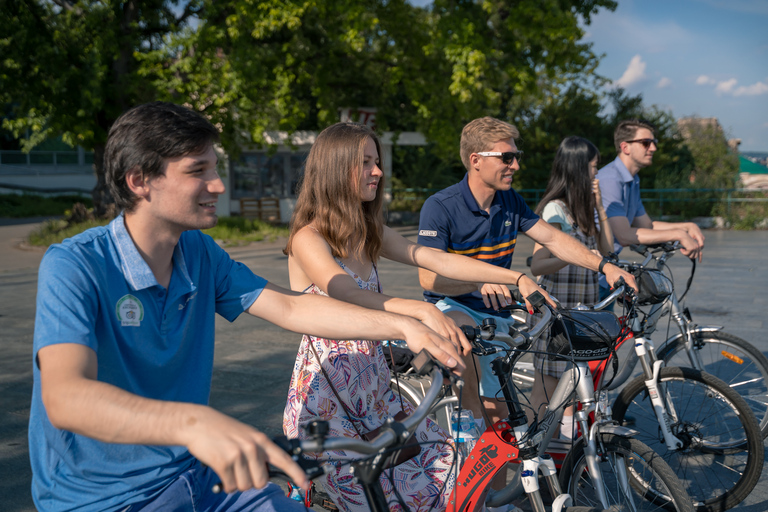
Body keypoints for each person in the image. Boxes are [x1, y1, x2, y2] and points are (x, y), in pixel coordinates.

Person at [29, 102, 465, 512]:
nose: (218, 185)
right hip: (103, 497)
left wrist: (406, 324)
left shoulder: (199, 253)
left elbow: (293, 309)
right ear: (140, 181)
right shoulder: (75, 265)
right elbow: (66, 397)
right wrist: (194, 424)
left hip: (194, 476)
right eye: (198, 171)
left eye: (215, 168)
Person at [282, 122, 560, 512]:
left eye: (376, 162)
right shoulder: (308, 237)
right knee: (375, 500)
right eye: (366, 163)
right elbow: (345, 293)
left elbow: (430, 257)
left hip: (373, 385)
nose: (378, 171)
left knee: (446, 473)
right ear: (334, 168)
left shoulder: (367, 226)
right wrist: (422, 309)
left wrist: (515, 277)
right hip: (329, 396)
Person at [417, 117, 636, 450]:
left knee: (505, 425)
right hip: (453, 308)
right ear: (476, 160)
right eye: (507, 157)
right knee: (468, 357)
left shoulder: (510, 202)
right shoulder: (440, 206)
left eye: (516, 156)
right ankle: (464, 426)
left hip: (498, 316)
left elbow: (553, 238)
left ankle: (498, 502)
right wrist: (477, 282)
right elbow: (428, 277)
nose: (515, 165)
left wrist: (604, 265)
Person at [528, 136, 614, 438]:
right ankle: (533, 453)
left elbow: (608, 249)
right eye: (593, 168)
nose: (596, 175)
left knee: (573, 388)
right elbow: (537, 265)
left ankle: (565, 453)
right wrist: (568, 257)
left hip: (582, 313)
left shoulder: (585, 209)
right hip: (556, 314)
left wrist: (601, 208)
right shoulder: (556, 211)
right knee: (547, 391)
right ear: (577, 170)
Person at [598, 119, 705, 269]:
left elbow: (647, 226)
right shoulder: (610, 180)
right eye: (646, 143)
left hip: (607, 265)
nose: (653, 148)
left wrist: (687, 227)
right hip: (591, 271)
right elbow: (624, 236)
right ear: (625, 147)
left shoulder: (632, 179)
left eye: (654, 142)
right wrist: (679, 235)